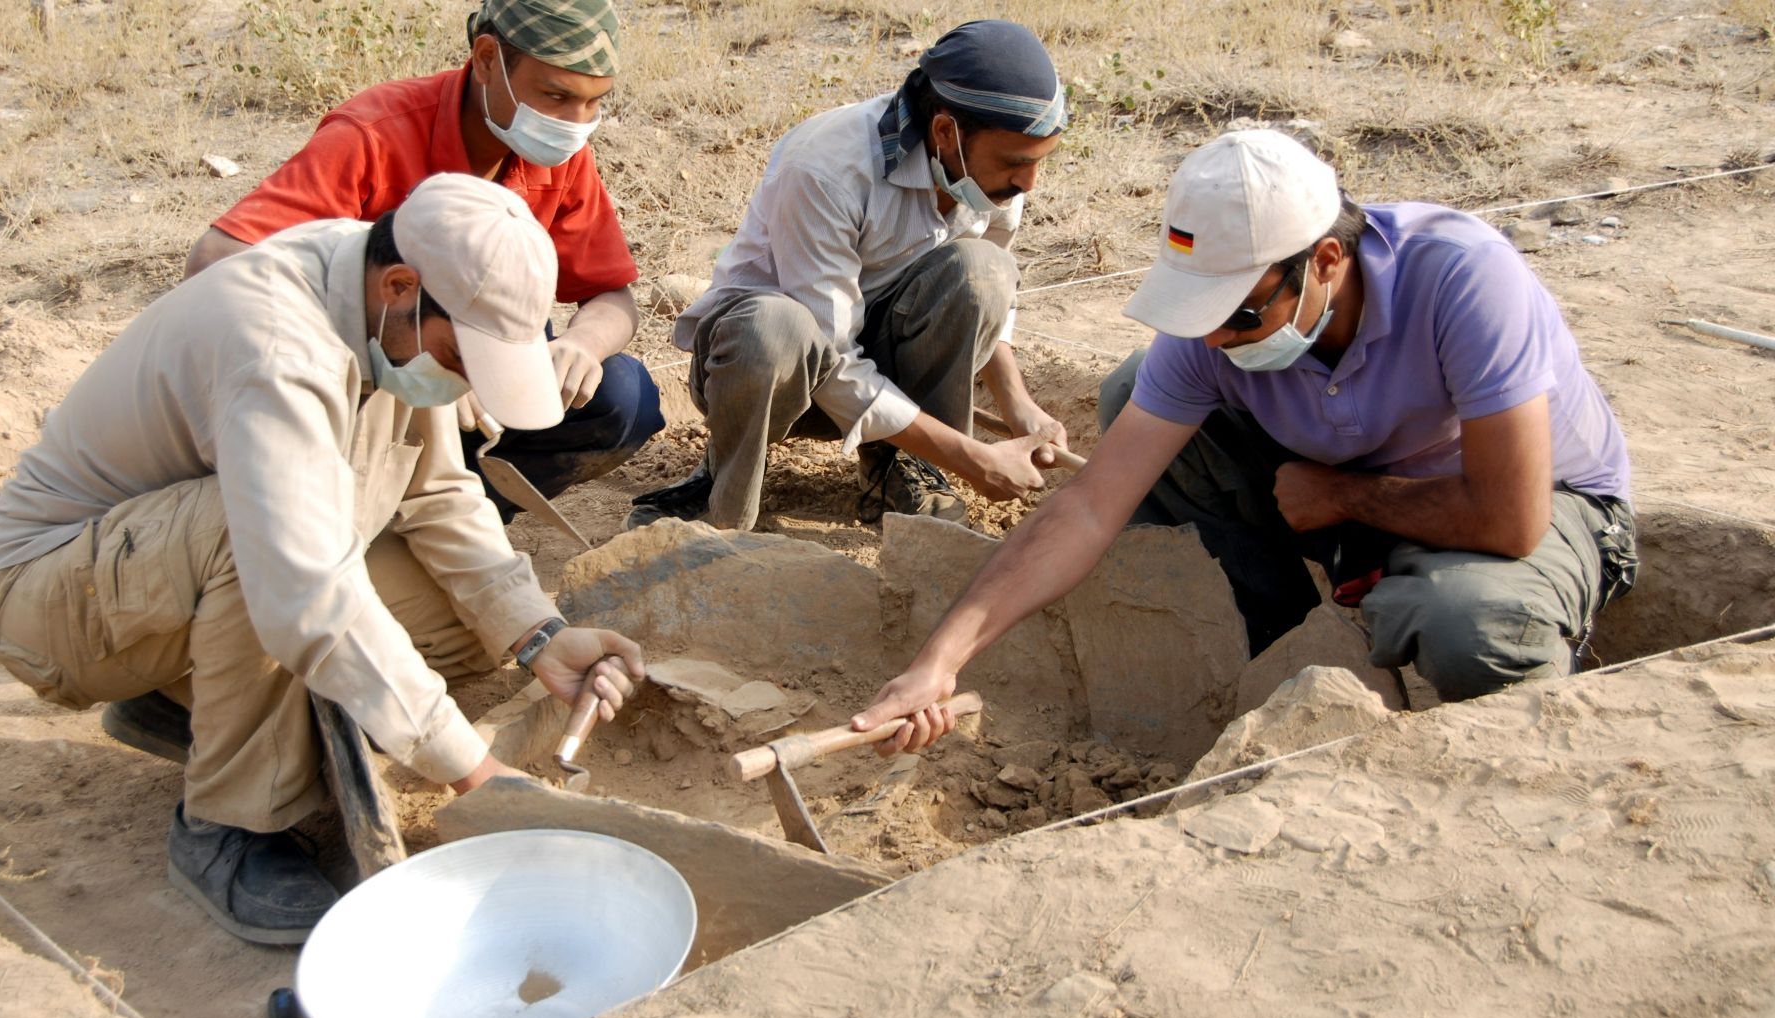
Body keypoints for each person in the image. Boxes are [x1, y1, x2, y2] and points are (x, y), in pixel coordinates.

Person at [0, 175, 646, 944]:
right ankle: (230, 824)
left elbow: (440, 495)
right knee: (258, 540)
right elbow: (304, 589)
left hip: (164, 574)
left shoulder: (380, 306)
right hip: (57, 600)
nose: (460, 382)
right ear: (400, 285)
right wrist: (472, 769)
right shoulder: (277, 345)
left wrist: (538, 636)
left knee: (463, 629)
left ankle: (183, 695)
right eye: (461, 355)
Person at [852, 129, 1639, 752]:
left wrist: (1339, 497)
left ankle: (1508, 750)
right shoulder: (1217, 333)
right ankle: (1286, 651)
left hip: (1526, 505)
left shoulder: (1463, 276)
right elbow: (1091, 508)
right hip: (1338, 483)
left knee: (1475, 634)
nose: (1220, 339)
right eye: (1206, 315)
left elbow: (1511, 518)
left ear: (1326, 261)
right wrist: (938, 663)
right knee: (1136, 391)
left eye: (1243, 315)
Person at [185, 0, 662, 521]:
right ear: (485, 59)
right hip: (362, 365)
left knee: (621, 395)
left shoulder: (564, 156)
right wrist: (401, 367)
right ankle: (357, 513)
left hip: (477, 351)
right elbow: (216, 262)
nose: (577, 124)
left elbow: (612, 294)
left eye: (595, 103)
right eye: (556, 96)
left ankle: (454, 515)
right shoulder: (372, 134)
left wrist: (580, 345)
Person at [625, 19, 1071, 532]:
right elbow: (833, 358)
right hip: (772, 374)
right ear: (946, 131)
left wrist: (1021, 408)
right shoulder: (828, 168)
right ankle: (724, 492)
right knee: (774, 328)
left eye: (1040, 162)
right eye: (1017, 162)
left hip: (878, 362)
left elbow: (990, 303)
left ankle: (903, 467)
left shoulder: (991, 176)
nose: (1029, 181)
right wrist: (971, 457)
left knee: (984, 271)